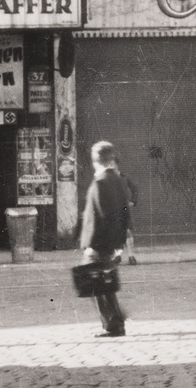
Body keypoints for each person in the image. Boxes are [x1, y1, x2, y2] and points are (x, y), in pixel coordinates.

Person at [80, 141, 131, 337]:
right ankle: (116, 319)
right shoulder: (118, 180)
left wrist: (92, 246)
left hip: (99, 244)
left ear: (95, 160)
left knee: (95, 284)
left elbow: (100, 218)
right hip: (111, 243)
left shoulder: (100, 182)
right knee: (103, 283)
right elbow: (125, 215)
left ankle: (114, 324)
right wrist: (119, 243)